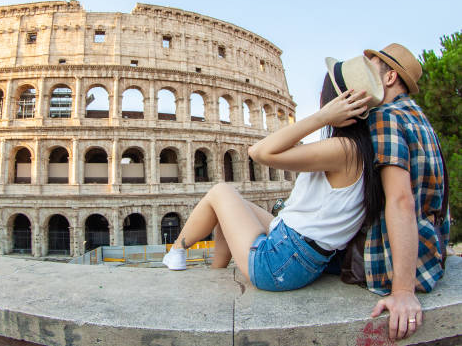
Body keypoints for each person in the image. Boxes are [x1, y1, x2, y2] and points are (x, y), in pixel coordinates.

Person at [162, 55, 383, 293]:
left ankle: (176, 251)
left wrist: (323, 117)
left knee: (220, 191)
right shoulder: (362, 148)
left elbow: (259, 152)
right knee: (231, 206)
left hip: (281, 263)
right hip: (299, 252)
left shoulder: (344, 149)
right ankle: (216, 272)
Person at [363, 43, 448, 340]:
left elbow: (400, 199)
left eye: (369, 71)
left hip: (391, 263)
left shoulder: (384, 116)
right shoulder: (420, 118)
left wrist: (402, 291)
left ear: (389, 78)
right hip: (430, 254)